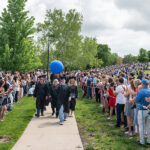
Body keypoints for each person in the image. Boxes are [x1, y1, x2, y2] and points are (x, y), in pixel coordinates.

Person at [130, 79, 150, 145]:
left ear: (143, 84)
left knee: (141, 126)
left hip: (142, 110)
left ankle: (142, 141)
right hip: (148, 109)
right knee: (148, 126)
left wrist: (132, 99)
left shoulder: (141, 92)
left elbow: (136, 100)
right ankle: (149, 141)